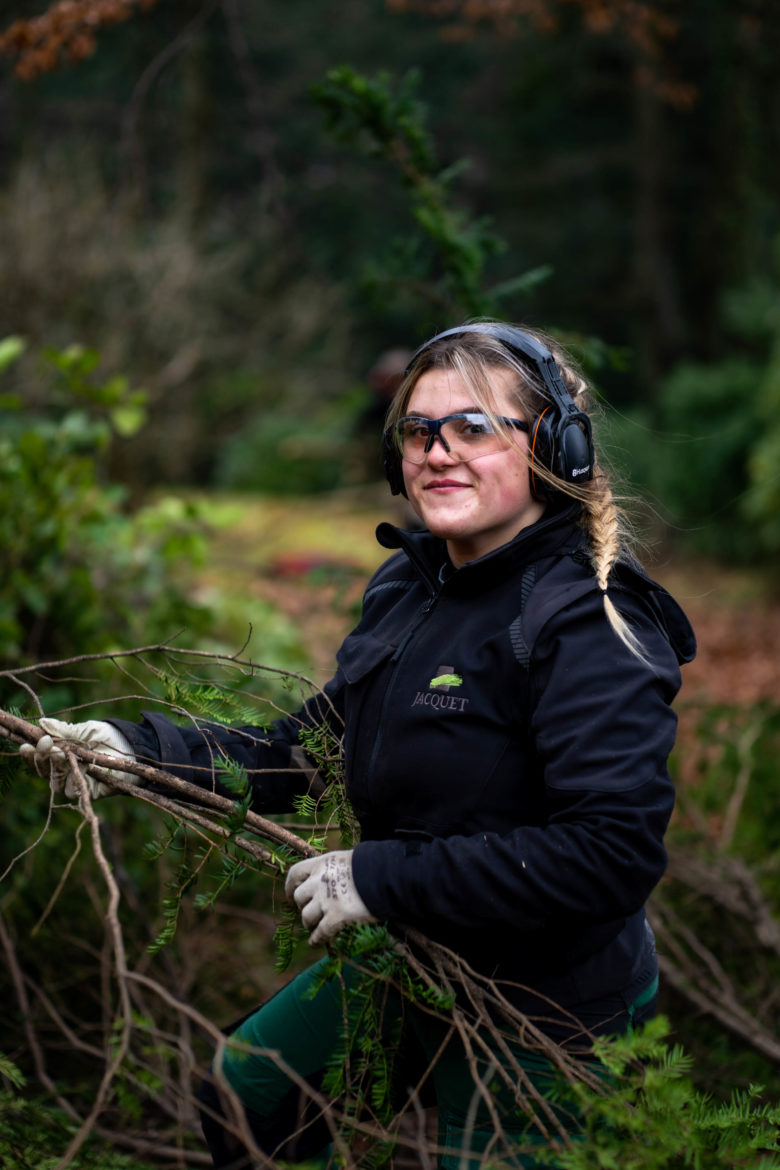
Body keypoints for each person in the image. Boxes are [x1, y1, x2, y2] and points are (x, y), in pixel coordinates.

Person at [21, 322, 696, 1169]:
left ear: (554, 446)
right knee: (250, 1093)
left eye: (475, 426)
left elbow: (611, 854)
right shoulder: (410, 588)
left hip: (549, 1003)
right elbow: (304, 752)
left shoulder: (590, 620)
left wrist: (376, 877)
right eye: (419, 430)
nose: (438, 451)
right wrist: (132, 751)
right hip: (414, 945)